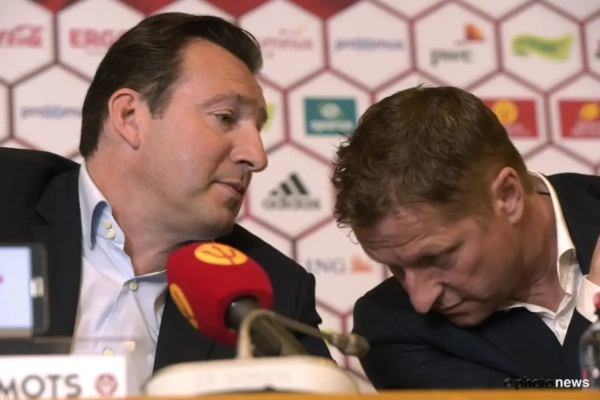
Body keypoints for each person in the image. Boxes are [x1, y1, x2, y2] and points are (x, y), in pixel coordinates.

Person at [0, 12, 331, 391]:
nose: (257, 156)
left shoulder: (269, 293)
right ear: (130, 116)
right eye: (225, 118)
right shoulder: (8, 195)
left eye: (258, 127)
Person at [331, 84, 600, 389]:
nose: (421, 301)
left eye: (436, 258)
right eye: (396, 268)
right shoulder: (391, 332)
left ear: (508, 196)